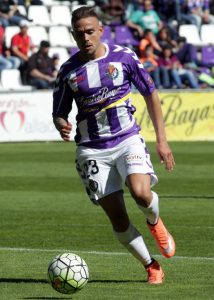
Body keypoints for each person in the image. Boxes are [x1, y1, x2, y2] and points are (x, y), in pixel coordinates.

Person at [53, 6, 176, 285]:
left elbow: (151, 95)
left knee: (141, 193)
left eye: (90, 31)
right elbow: (59, 111)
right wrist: (61, 124)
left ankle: (154, 221)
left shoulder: (124, 58)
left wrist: (162, 141)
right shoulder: (68, 71)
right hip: (92, 149)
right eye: (79, 33)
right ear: (73, 34)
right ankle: (150, 265)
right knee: (118, 218)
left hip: (126, 138)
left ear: (101, 31)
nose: (85, 37)